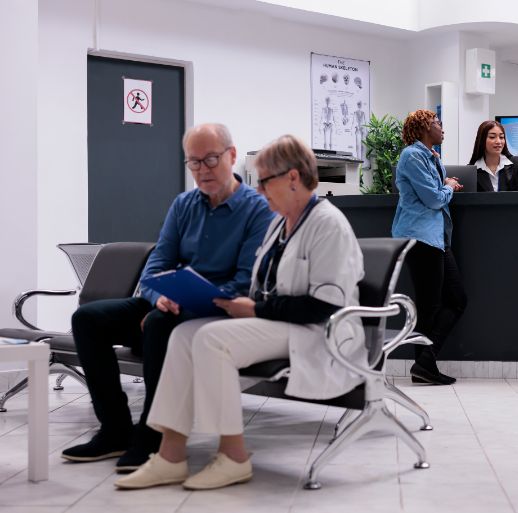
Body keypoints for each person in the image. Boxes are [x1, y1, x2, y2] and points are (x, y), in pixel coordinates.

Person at [114, 134, 365, 491]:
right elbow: (262, 283)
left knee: (212, 339)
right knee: (184, 334)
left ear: (292, 178)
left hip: (317, 330)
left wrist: (256, 308)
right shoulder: (281, 223)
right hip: (281, 322)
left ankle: (233, 456)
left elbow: (325, 304)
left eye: (264, 181)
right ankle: (170, 456)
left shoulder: (328, 224)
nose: (259, 192)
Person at [61, 123, 275, 470]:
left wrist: (183, 302)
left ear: (232, 156)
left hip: (216, 311)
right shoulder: (184, 205)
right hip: (167, 304)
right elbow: (156, 265)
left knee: (160, 324)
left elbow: (245, 281)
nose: (202, 170)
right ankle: (115, 430)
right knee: (88, 319)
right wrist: (158, 295)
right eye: (193, 162)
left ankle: (153, 436)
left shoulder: (258, 210)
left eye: (210, 159)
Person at [392, 109, 467, 386]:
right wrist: (448, 187)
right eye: (437, 123)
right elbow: (434, 199)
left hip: (435, 238)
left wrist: (445, 185)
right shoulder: (412, 156)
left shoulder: (431, 157)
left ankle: (425, 362)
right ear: (424, 128)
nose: (442, 127)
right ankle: (424, 366)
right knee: (429, 305)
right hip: (419, 237)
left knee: (456, 300)